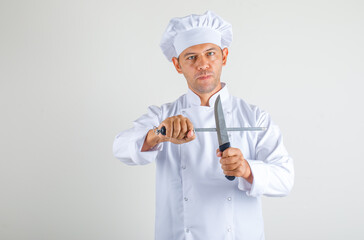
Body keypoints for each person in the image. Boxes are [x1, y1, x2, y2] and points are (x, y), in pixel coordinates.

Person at [113, 10, 294, 240]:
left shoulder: (254, 118)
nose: (203, 64)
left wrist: (247, 170)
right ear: (177, 65)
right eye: (191, 57)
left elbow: (285, 178)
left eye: (210, 54)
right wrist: (158, 135)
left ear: (224, 56)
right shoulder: (163, 115)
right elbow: (120, 147)